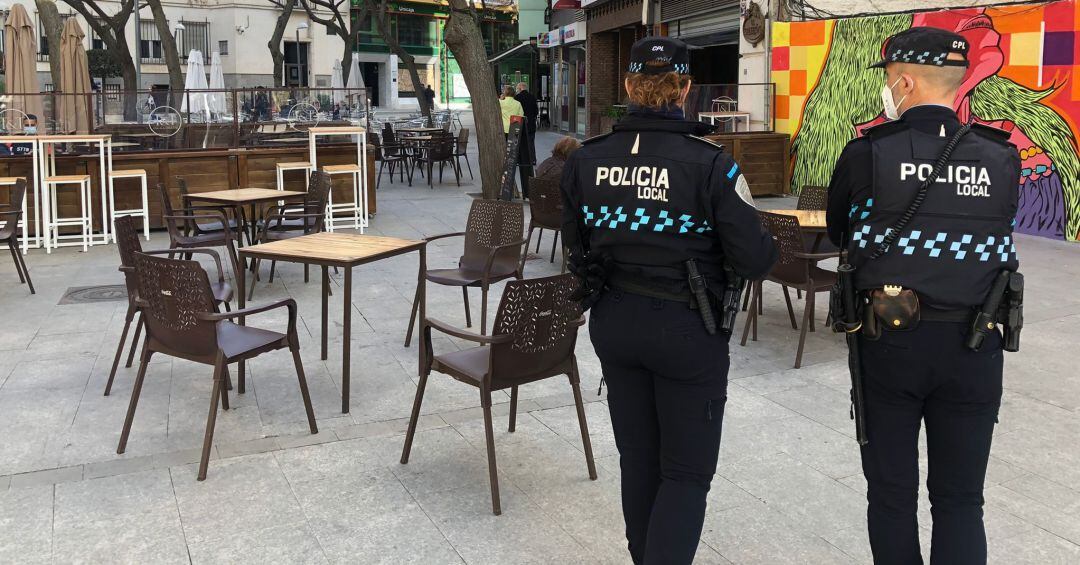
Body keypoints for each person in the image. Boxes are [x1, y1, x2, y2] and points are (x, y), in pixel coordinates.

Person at [561, 37, 777, 565]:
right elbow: (756, 259)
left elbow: (576, 248)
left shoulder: (586, 159)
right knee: (684, 471)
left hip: (615, 321)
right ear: (685, 88)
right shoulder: (711, 164)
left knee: (638, 460)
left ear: (631, 87)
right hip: (688, 328)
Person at [826, 27, 1020, 565]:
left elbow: (841, 231)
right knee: (961, 501)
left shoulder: (867, 153)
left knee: (890, 497)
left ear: (905, 81)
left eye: (889, 80)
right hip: (976, 345)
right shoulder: (1002, 158)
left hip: (890, 343)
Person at [514, 81, 539, 195]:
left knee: (522, 143)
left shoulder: (517, 98)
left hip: (522, 124)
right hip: (531, 124)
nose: (517, 89)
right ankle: (532, 159)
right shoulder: (533, 97)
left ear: (520, 88)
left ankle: (523, 158)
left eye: (518, 88)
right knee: (531, 142)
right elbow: (536, 111)